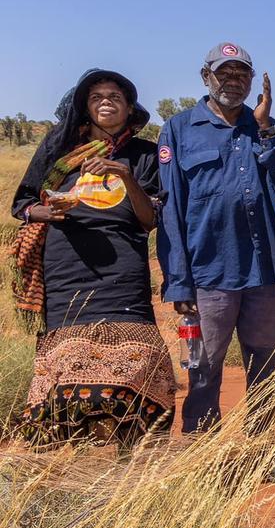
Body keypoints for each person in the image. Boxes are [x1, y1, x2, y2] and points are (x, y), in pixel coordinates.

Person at [156, 43, 275, 483]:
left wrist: (267, 136)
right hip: (207, 275)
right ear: (206, 76)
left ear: (253, 82)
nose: (233, 80)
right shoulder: (179, 130)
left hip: (263, 273)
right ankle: (204, 454)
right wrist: (178, 282)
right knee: (202, 366)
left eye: (242, 73)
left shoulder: (265, 127)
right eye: (225, 72)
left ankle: (261, 452)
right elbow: (171, 211)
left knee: (267, 365)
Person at [11, 69, 175, 448]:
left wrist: (124, 176)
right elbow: (23, 203)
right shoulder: (59, 148)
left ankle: (131, 451)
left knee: (140, 356)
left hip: (122, 270)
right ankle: (69, 452)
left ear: (129, 107)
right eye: (96, 96)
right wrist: (44, 212)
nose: (106, 101)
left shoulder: (144, 155)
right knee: (67, 360)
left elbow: (149, 218)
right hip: (66, 267)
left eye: (114, 96)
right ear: (85, 106)